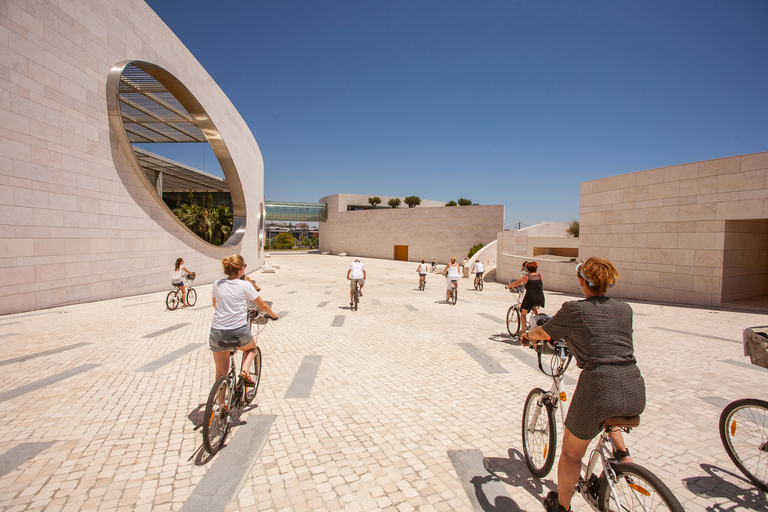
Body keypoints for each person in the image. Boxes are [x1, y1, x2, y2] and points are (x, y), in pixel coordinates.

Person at [521, 257, 645, 512]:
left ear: (582, 281)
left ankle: (562, 506)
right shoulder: (625, 309)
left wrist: (525, 335)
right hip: (633, 386)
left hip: (598, 389)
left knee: (570, 454)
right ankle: (623, 455)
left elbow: (545, 332)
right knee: (609, 414)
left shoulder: (574, 310)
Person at [210, 255, 278, 384]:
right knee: (251, 349)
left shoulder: (217, 284)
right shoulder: (245, 284)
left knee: (220, 373)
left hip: (217, 330)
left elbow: (215, 304)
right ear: (241, 269)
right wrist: (274, 315)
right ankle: (245, 371)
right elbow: (262, 304)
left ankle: (221, 404)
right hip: (237, 329)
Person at [505, 261, 544, 332]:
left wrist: (508, 286)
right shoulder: (540, 276)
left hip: (530, 298)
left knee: (523, 314)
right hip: (540, 297)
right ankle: (537, 321)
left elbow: (515, 284)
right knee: (534, 307)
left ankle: (523, 332)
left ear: (528, 269)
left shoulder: (526, 277)